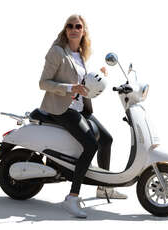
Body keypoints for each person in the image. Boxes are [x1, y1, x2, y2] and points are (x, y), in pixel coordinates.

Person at [39, 14, 127, 218]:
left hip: (80, 108)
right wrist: (71, 87)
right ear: (65, 29)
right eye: (69, 26)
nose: (73, 29)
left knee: (107, 139)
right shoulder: (57, 52)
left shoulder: (80, 53)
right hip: (62, 108)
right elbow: (43, 83)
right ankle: (72, 197)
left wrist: (100, 75)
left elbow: (83, 82)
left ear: (83, 30)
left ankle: (104, 188)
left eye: (77, 26)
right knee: (91, 144)